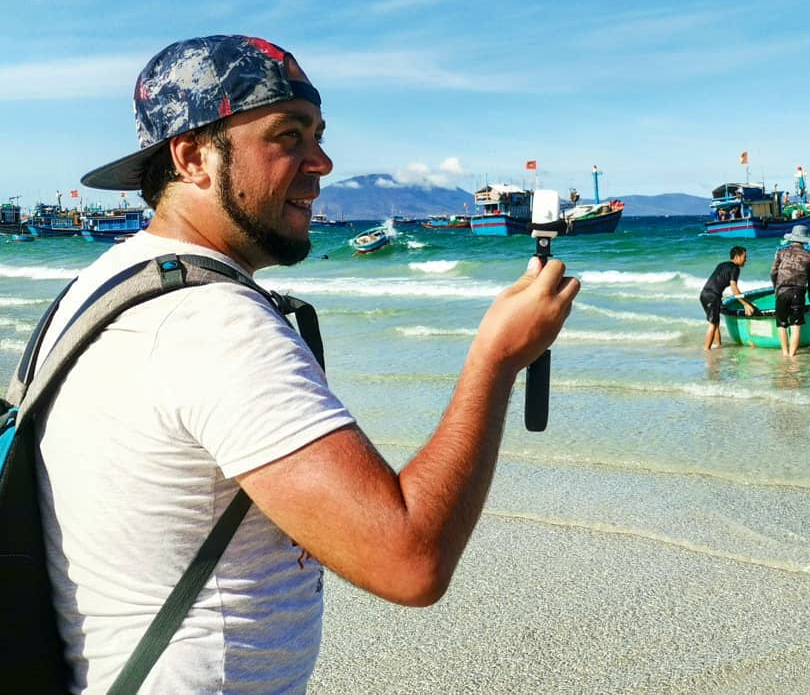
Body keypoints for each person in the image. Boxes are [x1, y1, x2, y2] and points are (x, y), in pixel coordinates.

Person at [33, 35, 580, 692]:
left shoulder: (103, 285)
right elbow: (409, 560)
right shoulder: (212, 325)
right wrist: (497, 357)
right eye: (287, 135)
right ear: (192, 156)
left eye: (317, 134)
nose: (320, 162)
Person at [770, 225, 810, 356]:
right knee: (796, 326)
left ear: (792, 239)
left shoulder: (781, 253)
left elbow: (773, 272)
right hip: (799, 292)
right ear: (804, 240)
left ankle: (785, 353)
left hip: (782, 291)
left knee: (781, 325)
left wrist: (776, 288)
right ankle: (792, 355)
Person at [700, 246, 756, 349]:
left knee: (715, 322)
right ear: (737, 257)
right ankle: (707, 351)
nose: (746, 259)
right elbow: (734, 287)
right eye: (744, 257)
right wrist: (745, 304)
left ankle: (718, 345)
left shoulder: (722, 264)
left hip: (704, 295)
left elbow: (716, 281)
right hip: (713, 296)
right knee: (712, 324)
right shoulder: (735, 268)